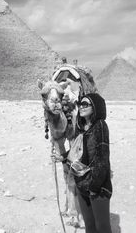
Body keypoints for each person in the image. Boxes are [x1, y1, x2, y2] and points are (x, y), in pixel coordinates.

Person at [52, 93, 112, 233]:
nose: (81, 107)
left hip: (97, 188)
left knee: (102, 228)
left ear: (96, 106)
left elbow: (102, 159)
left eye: (86, 104)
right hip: (81, 184)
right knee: (90, 227)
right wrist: (63, 157)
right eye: (80, 104)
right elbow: (78, 152)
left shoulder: (100, 126)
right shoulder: (81, 127)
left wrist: (93, 186)